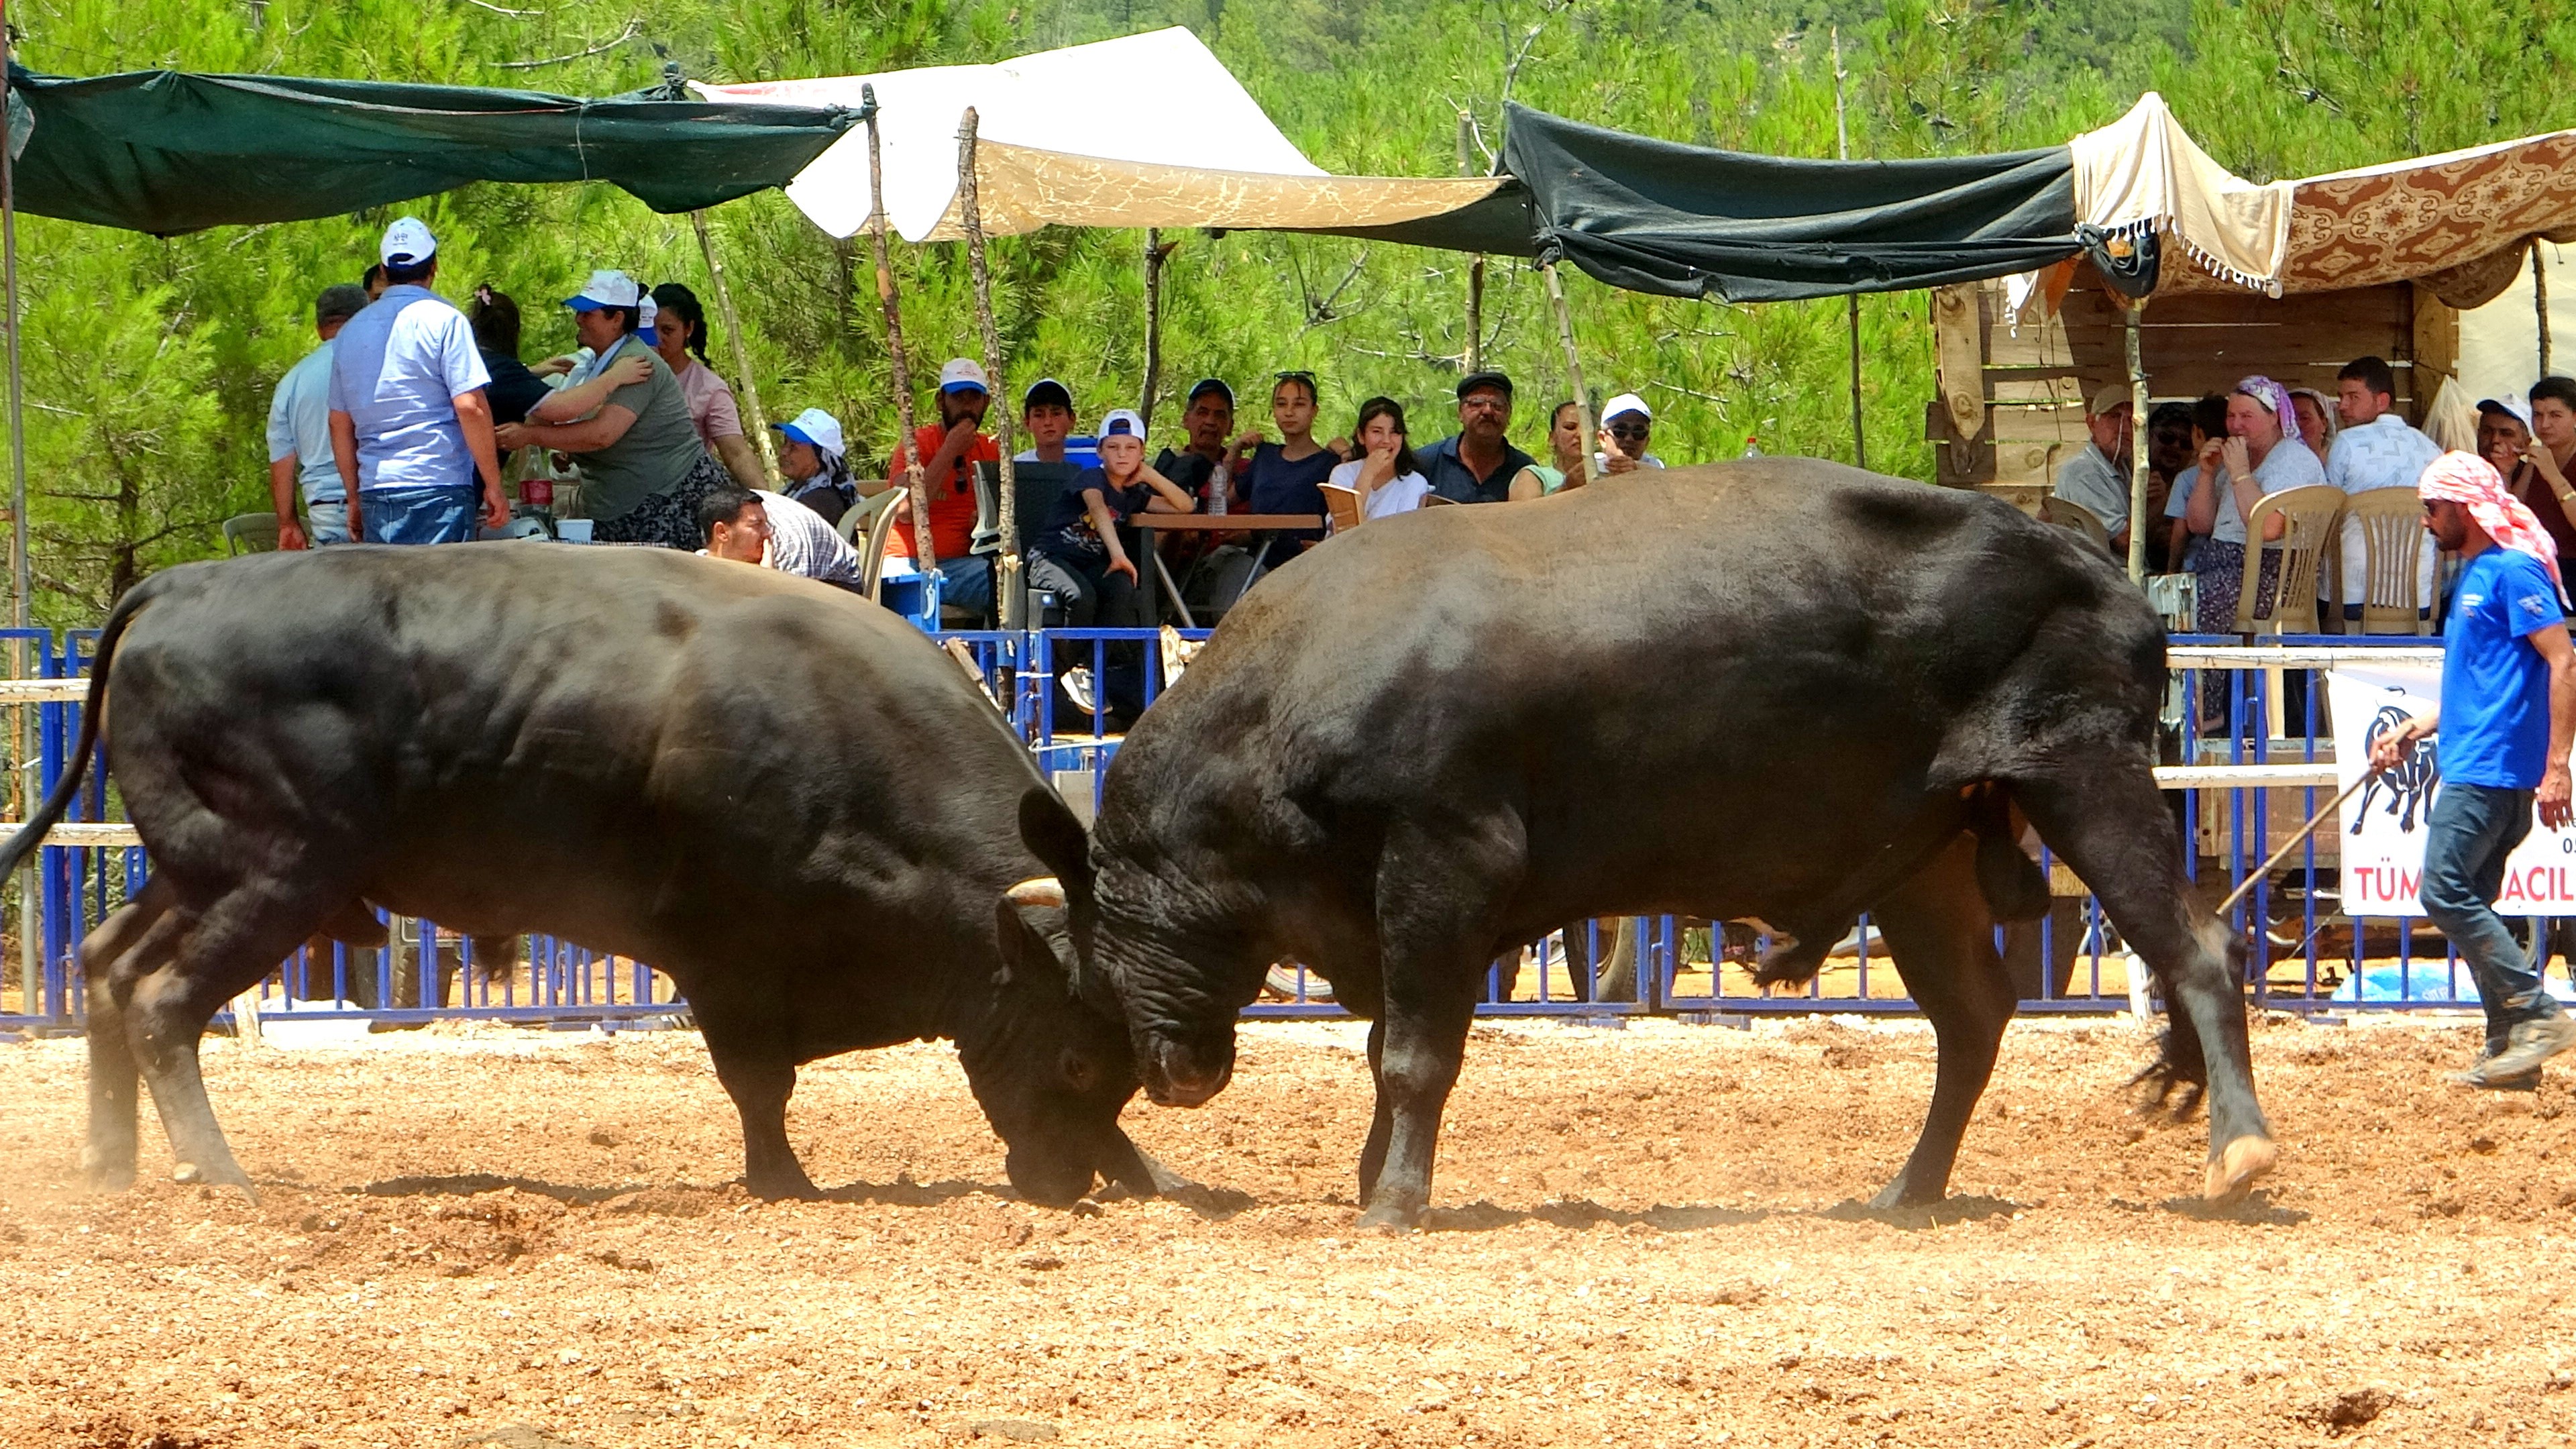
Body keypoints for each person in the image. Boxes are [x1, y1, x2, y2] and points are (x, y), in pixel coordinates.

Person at [2371, 452, 2576, 1088]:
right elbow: (2484, 682)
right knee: (2474, 898)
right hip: (2482, 763)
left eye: (2433, 510)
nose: (2427, 523)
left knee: (2444, 892)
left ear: (2463, 509)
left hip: (2490, 771)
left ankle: (2539, 1012)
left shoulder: (2512, 571)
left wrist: (2558, 767)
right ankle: (2510, 1047)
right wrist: (2417, 726)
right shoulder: (2480, 575)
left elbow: (2564, 661)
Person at [492, 268, 728, 550]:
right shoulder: (594, 363)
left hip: (670, 502)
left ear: (617, 319)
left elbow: (602, 434)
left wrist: (531, 435)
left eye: (588, 313)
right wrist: (572, 451)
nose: (578, 319)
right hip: (621, 507)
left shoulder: (638, 363)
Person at [325, 217, 509, 545]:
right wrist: (493, 484)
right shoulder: (446, 320)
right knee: (443, 595)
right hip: (439, 485)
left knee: (387, 596)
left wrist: (353, 496)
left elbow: (339, 423)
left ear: (383, 269)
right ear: (434, 267)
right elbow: (469, 406)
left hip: (377, 489)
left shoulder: (350, 331)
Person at [2182, 376, 2326, 631]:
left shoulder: (2294, 460)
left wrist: (2240, 474)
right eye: (2231, 416)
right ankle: (2191, 673)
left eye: (2246, 416)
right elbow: (2199, 525)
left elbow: (2268, 529)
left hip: (2272, 575)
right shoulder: (2238, 458)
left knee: (2194, 601)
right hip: (2223, 570)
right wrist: (2206, 473)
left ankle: (2207, 672)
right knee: (2166, 599)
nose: (2236, 425)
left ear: (2275, 417)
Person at [1026, 409, 1193, 627]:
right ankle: (1066, 660)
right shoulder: (1091, 478)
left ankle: (1098, 658)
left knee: (1121, 589)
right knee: (1080, 597)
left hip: (1087, 565)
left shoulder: (1133, 494)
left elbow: (1185, 506)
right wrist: (1118, 555)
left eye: (1131, 447)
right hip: (1051, 559)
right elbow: (1097, 508)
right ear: (1100, 451)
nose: (1122, 454)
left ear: (1142, 452)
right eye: (1113, 447)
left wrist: (1149, 474)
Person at [2324, 355, 2443, 621]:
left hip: (2352, 596)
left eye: (2353, 397)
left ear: (2383, 401)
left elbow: (2326, 518)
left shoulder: (2346, 442)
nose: (2342, 406)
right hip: (2418, 597)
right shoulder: (2430, 449)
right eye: (2341, 397)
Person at [882, 358, 1001, 614]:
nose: (967, 406)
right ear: (940, 402)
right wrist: (950, 451)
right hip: (907, 563)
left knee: (1007, 583)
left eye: (974, 397)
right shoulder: (915, 445)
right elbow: (905, 510)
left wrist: (985, 523)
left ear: (986, 403)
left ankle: (999, 652)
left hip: (967, 566)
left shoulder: (992, 449)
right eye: (958, 397)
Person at [266, 282, 370, 549]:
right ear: (365, 318)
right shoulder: (374, 365)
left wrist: (287, 524)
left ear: (319, 329)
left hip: (325, 511)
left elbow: (282, 463)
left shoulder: (292, 382)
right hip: (375, 500)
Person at [647, 282, 762, 489]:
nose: (658, 338)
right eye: (650, 329)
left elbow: (736, 454)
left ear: (688, 329)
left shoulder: (709, 388)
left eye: (668, 330)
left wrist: (768, 503)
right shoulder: (625, 372)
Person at [1228, 372, 1336, 546]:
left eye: (1299, 404)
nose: (1289, 412)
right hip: (1255, 560)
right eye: (1281, 404)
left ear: (1314, 411)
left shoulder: (1329, 464)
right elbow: (1224, 501)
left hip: (1303, 561)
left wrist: (1346, 454)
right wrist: (1235, 450)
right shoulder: (1265, 455)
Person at [696, 482, 865, 589]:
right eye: (757, 525)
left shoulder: (789, 549)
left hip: (837, 586)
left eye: (766, 523)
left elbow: (782, 615)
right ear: (722, 533)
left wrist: (766, 578)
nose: (767, 532)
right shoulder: (707, 549)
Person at [1420, 372, 1537, 504]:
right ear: (1460, 412)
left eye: (1497, 405)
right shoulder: (1426, 462)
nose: (1488, 411)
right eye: (1477, 403)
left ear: (1509, 414)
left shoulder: (1525, 469)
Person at [2050, 384, 2136, 555]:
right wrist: (2152, 503)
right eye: (2114, 417)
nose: (2125, 429)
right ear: (2091, 423)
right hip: (2100, 575)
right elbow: (2126, 543)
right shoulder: (2084, 471)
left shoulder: (2123, 467)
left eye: (2131, 420)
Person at [1326, 396, 1432, 519]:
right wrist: (1368, 473)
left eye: (1394, 432)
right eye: (1377, 432)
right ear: (1361, 436)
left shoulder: (1414, 483)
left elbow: (1403, 533)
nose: (1386, 441)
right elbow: (1346, 525)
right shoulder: (1343, 474)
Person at [464, 286, 553, 427]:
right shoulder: (505, 370)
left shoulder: (466, 359)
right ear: (513, 329)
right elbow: (562, 408)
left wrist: (529, 372)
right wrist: (602, 380)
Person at [2512, 376, 2576, 570]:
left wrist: (2554, 476)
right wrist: (2509, 472)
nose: (2545, 424)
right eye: (2537, 415)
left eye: (2555, 415)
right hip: (2533, 564)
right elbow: (2514, 515)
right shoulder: (2535, 459)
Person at [2163, 394, 2230, 576]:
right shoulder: (2239, 470)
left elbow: (2180, 533)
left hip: (2195, 568)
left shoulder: (2187, 479)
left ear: (2196, 432)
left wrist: (2172, 570)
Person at [773, 407, 857, 526]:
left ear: (821, 458)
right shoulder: (801, 492)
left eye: (794, 447)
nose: (784, 452)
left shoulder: (820, 501)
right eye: (785, 443)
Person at [2142, 400, 2197, 573]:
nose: (2175, 447)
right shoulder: (2130, 474)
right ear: (2149, 435)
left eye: (2186, 443)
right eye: (2167, 438)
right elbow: (2133, 542)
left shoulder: (2197, 480)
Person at [1511, 400, 1591, 499]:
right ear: (1552, 438)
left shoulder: (1606, 475)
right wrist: (1566, 488)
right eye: (1570, 427)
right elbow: (1526, 513)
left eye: (1586, 428)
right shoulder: (1534, 475)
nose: (1579, 434)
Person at [1593, 392, 1667, 474]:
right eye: (1620, 431)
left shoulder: (1655, 467)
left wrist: (1638, 472)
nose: (1629, 438)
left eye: (1638, 432)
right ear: (1603, 439)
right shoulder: (1590, 467)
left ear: (1647, 442)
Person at [1016, 378, 1079, 464]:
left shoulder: (1092, 465)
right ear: (1027, 423)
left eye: (1056, 414)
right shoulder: (1015, 468)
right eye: (1039, 415)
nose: (1048, 422)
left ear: (1072, 419)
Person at [2480, 394, 2535, 482]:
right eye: (2487, 431)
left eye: (2506, 434)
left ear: (2526, 443)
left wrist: (2505, 474)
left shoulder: (2534, 479)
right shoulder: (2461, 471)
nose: (2495, 440)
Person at [2289, 387, 2338, 466]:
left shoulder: (2338, 469)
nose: (2296, 425)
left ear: (2324, 424)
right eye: (2290, 419)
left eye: (2305, 418)